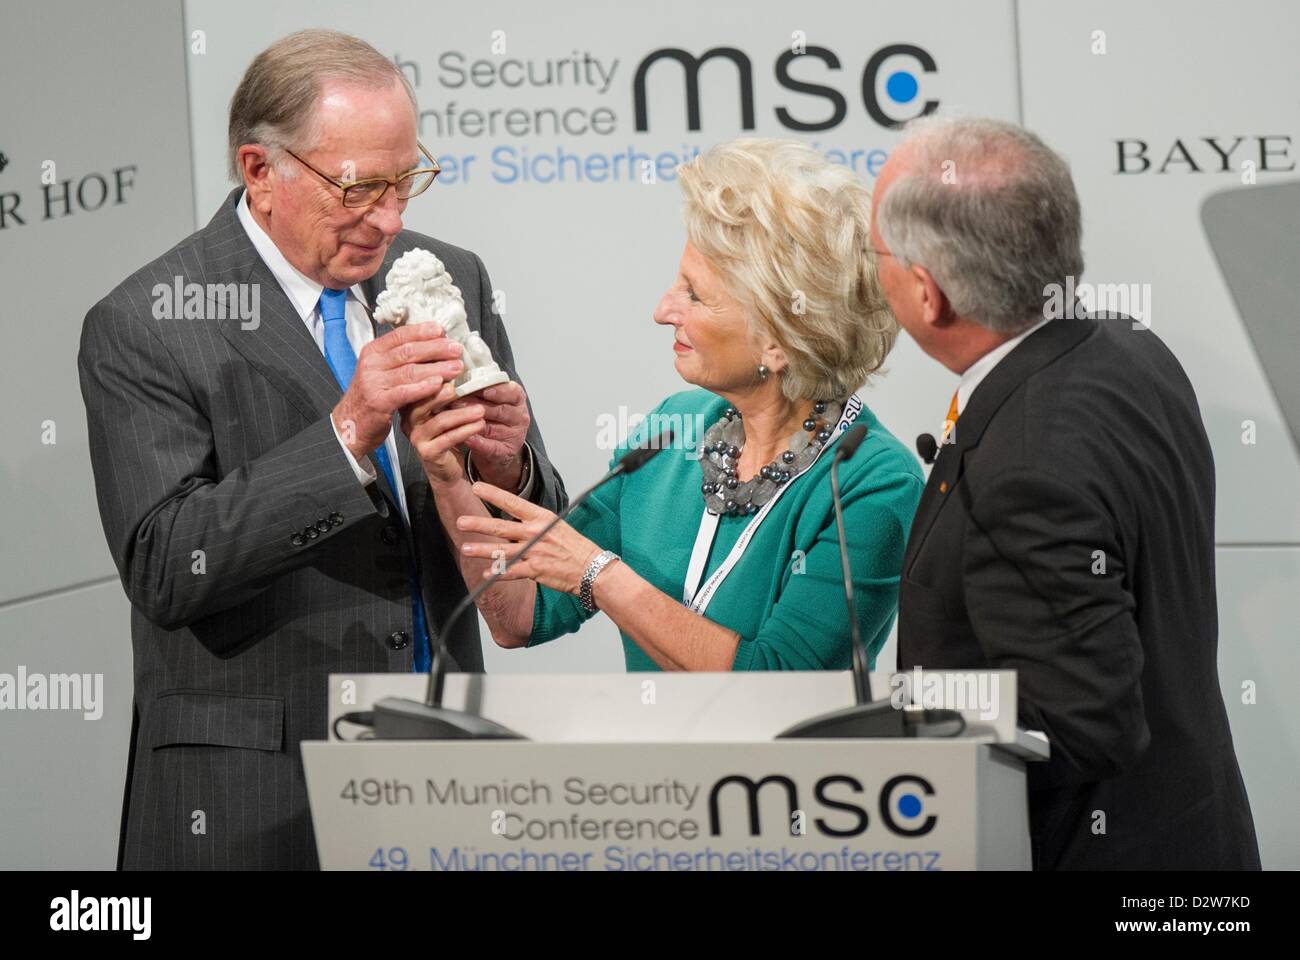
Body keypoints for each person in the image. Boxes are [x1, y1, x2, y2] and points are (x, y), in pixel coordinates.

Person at [77, 29, 566, 870]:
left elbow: (531, 536)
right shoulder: (148, 323)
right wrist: (347, 435)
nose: (392, 216)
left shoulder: (453, 276)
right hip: (252, 798)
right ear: (260, 172)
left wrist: (504, 462)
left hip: (439, 775)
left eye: (406, 179)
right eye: (360, 187)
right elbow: (164, 565)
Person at [871, 115, 1260, 869]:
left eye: (877, 252)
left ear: (928, 294)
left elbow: (1083, 723)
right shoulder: (1129, 347)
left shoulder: (1023, 465)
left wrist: (894, 744)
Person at [406, 139, 924, 671]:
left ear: (780, 340)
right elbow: (517, 615)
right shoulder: (671, 432)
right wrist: (447, 475)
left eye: (694, 295)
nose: (662, 310)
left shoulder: (873, 484)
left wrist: (599, 574)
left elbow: (777, 684)